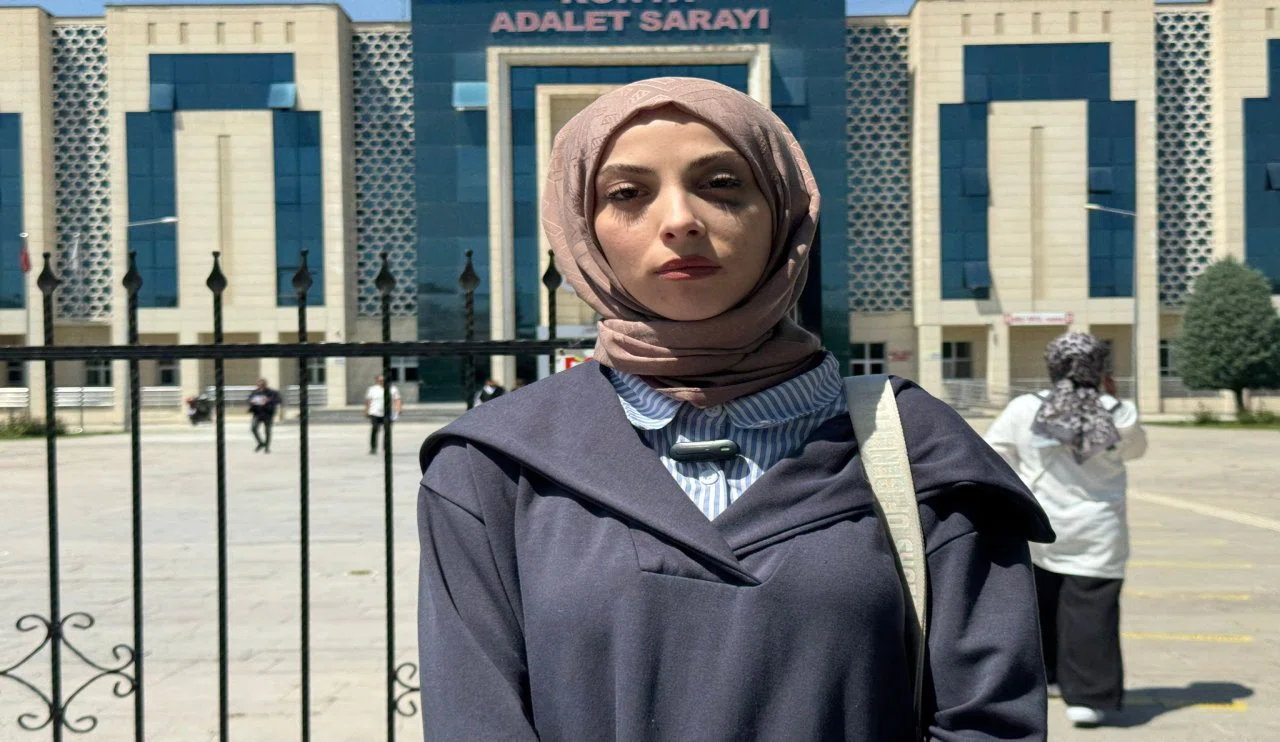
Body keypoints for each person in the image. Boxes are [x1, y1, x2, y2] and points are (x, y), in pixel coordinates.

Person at [416, 78, 1055, 740]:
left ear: (782, 209)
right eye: (627, 193)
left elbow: (989, 723)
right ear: (582, 226)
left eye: (721, 184)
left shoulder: (919, 453)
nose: (680, 220)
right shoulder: (492, 469)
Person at [984, 332, 1148, 728]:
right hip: (1098, 529)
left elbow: (993, 451)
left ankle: (1049, 675)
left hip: (1040, 525)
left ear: (1053, 366)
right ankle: (1088, 698)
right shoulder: (1119, 412)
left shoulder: (1025, 408)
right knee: (1090, 610)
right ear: (1100, 367)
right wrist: (1107, 397)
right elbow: (1136, 450)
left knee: (1042, 605)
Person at [364, 374, 401, 455]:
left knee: (387, 431)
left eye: (383, 380)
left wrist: (398, 408)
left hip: (387, 413)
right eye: (380, 380)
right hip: (375, 412)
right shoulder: (372, 389)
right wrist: (366, 410)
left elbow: (397, 399)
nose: (382, 382)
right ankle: (373, 448)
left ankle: (386, 448)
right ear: (377, 381)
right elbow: (368, 401)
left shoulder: (392, 389)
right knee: (375, 429)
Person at [246, 378, 282, 453]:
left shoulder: (272, 392)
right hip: (257, 413)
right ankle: (261, 443)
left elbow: (279, 400)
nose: (260, 386)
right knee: (253, 428)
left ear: (265, 385)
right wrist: (252, 401)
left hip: (268, 413)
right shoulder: (255, 392)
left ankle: (267, 447)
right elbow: (249, 399)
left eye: (262, 385)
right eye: (259, 385)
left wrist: (268, 400)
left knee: (267, 431)